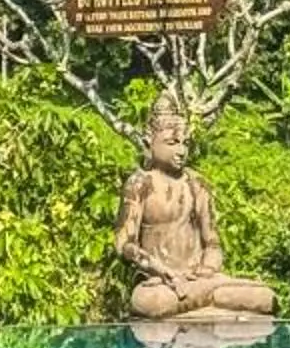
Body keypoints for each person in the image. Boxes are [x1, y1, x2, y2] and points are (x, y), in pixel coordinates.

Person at [113, 98, 276, 321]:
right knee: (151, 302)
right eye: (172, 143)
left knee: (264, 297)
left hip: (198, 280)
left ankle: (204, 296)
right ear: (149, 142)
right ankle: (210, 298)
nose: (181, 151)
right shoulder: (140, 184)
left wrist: (207, 269)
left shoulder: (197, 184)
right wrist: (160, 269)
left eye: (185, 143)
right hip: (162, 284)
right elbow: (124, 244)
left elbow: (212, 242)